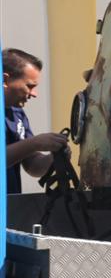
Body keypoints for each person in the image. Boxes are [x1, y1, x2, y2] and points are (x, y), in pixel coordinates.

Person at [3, 48, 67, 193]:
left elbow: (33, 166)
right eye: (29, 86)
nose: (34, 94)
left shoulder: (18, 114)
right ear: (5, 80)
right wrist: (35, 143)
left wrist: (54, 157)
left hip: (12, 208)